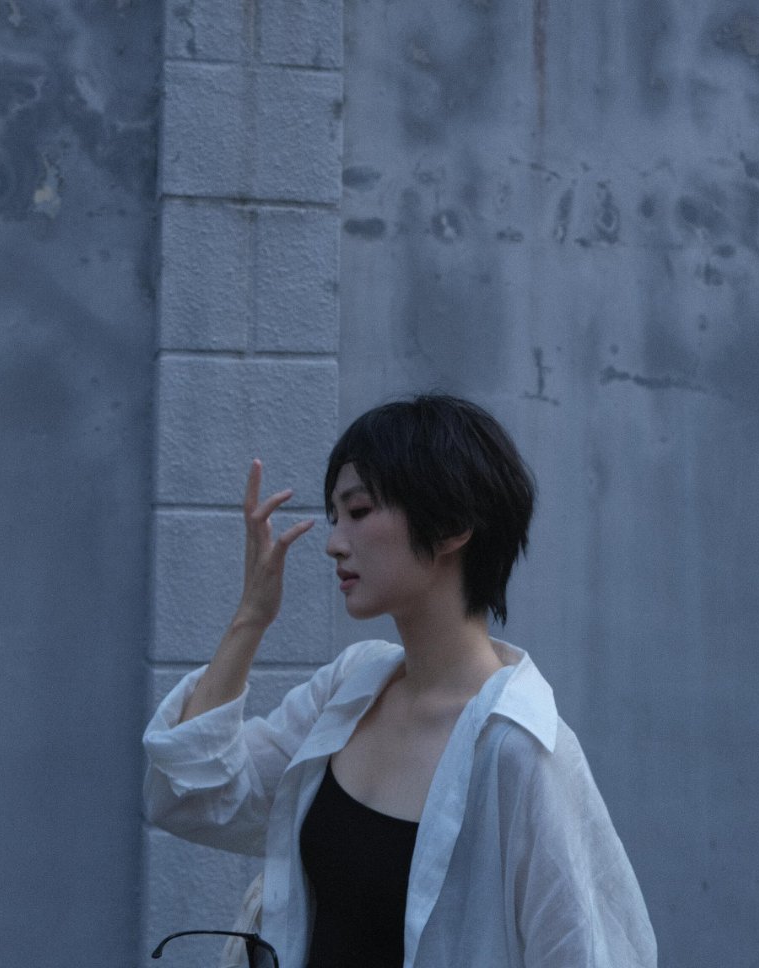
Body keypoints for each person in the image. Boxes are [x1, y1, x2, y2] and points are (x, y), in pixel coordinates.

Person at [144, 395, 656, 968]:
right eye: (335, 517)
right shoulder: (350, 688)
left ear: (453, 526)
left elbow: (588, 952)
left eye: (359, 511)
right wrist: (250, 618)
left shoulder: (519, 749)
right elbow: (193, 797)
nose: (335, 542)